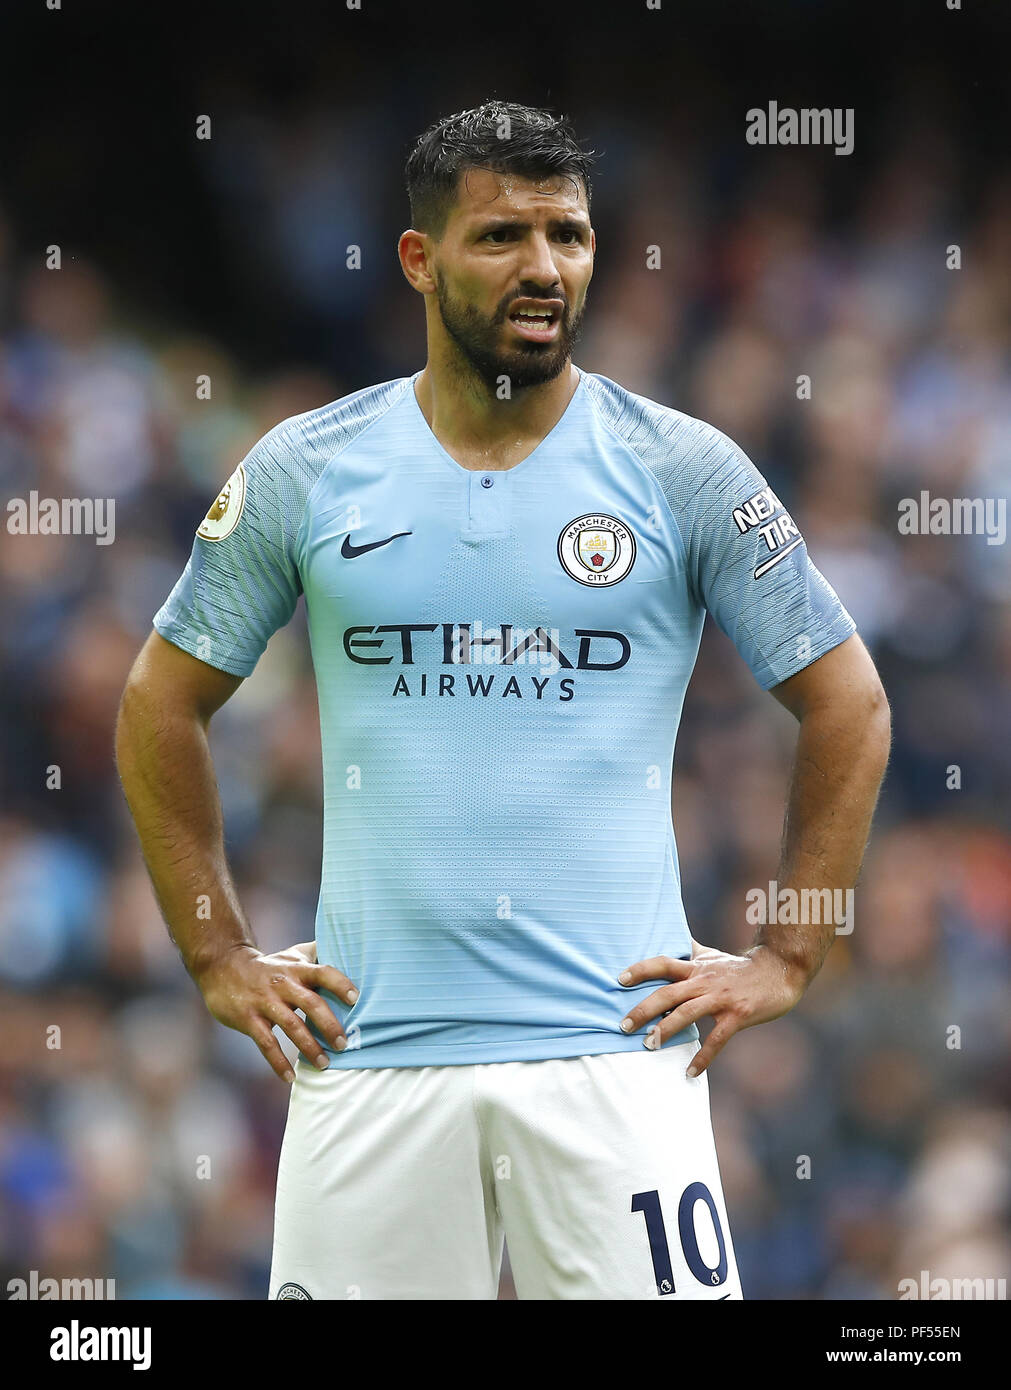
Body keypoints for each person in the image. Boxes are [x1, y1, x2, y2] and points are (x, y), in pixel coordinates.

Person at [115, 100, 891, 1300]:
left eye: (569, 236)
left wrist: (792, 950)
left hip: (619, 1064)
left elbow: (850, 704)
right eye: (503, 237)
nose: (544, 267)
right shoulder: (307, 468)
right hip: (367, 1064)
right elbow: (157, 706)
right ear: (420, 259)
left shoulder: (682, 468)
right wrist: (216, 954)